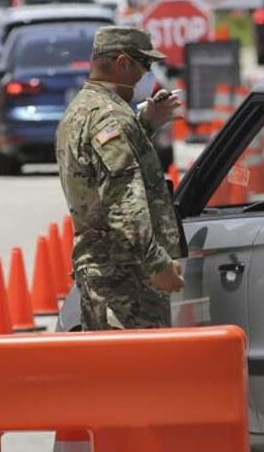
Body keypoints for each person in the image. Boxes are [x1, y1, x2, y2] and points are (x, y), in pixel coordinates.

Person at [55, 26, 185, 331]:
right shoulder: (110, 117)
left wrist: (145, 125)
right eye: (145, 65)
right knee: (142, 372)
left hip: (105, 274)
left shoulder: (82, 110)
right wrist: (157, 264)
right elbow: (123, 198)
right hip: (126, 279)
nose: (148, 75)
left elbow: (98, 171)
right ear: (123, 63)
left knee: (113, 373)